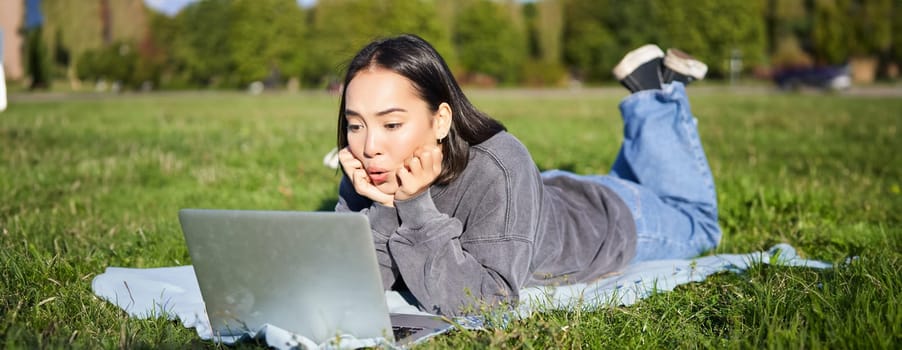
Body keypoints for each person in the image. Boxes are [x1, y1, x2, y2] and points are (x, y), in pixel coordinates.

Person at [334, 34, 720, 316]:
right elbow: (361, 283)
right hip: (541, 199)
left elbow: (486, 302)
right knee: (644, 184)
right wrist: (381, 205)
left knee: (699, 224)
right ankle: (655, 96)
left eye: (391, 124)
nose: (369, 147)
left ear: (440, 120)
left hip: (608, 221)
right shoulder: (371, 168)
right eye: (355, 125)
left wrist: (414, 207)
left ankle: (655, 94)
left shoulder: (499, 163)